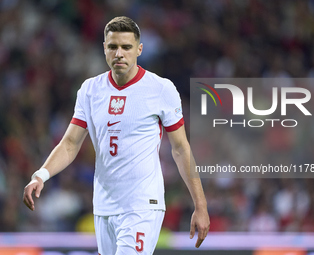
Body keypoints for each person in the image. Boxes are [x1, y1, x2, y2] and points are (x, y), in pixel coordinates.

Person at [23, 16, 210, 254]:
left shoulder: (160, 89)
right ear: (104, 49)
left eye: (126, 47)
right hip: (104, 206)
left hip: (142, 205)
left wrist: (200, 205)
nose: (119, 53)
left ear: (139, 49)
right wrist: (40, 175)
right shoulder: (90, 90)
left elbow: (181, 148)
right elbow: (70, 143)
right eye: (113, 47)